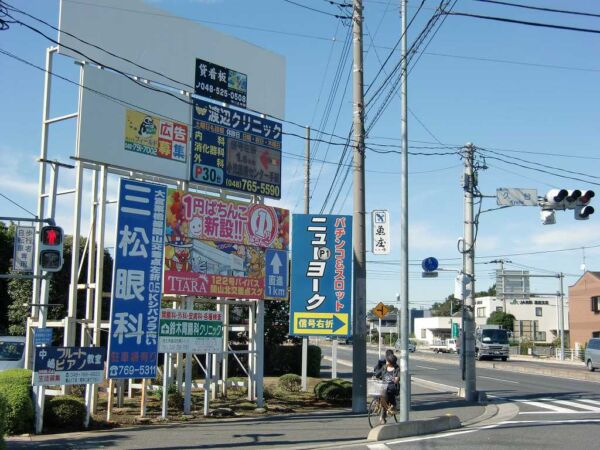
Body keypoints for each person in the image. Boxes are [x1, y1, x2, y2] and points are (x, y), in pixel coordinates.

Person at [374, 352, 400, 423]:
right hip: (384, 386)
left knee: (385, 393)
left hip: (392, 387)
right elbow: (377, 374)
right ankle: (381, 407)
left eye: (387, 361)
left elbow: (397, 379)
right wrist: (375, 377)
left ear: (390, 362)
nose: (386, 361)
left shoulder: (396, 369)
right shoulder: (384, 367)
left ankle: (390, 408)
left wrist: (394, 379)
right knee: (379, 392)